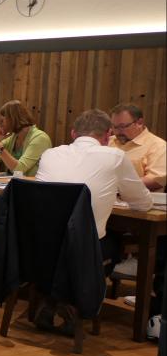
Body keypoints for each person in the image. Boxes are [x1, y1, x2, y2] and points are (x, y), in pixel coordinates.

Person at [37, 109, 151, 277]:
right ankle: (87, 295)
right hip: (85, 249)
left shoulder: (49, 154)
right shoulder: (116, 156)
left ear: (73, 133)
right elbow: (143, 204)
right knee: (115, 240)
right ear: (107, 135)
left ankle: (59, 295)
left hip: (42, 243)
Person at [0, 100, 52, 176]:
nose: (0, 124)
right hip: (16, 185)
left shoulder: (40, 138)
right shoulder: (12, 138)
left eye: (2, 120)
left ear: (12, 119)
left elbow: (19, 169)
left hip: (34, 186)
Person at [109, 103, 166, 191]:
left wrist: (116, 186)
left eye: (122, 126)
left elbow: (156, 180)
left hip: (140, 202)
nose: (117, 132)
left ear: (139, 123)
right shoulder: (109, 141)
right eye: (114, 127)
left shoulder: (158, 146)